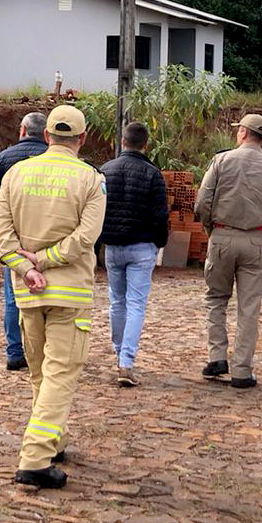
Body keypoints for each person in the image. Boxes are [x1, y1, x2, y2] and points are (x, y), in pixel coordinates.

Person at [0, 105, 107, 490]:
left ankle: (53, 440)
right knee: (59, 375)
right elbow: (85, 238)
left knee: (40, 374)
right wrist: (47, 260)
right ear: (82, 139)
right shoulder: (90, 180)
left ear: (45, 137)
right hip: (69, 294)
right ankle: (36, 458)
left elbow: (0, 237)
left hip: (28, 293)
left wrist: (27, 269)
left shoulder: (16, 174)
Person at [195, 113, 262, 388]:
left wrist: (212, 230)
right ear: (261, 137)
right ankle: (242, 370)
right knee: (249, 309)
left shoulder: (222, 160)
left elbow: (202, 203)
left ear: (242, 132)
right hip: (256, 240)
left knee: (216, 298)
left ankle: (217, 356)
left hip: (222, 235)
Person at [98, 121, 169, 387]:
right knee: (137, 303)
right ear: (146, 144)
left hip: (113, 246)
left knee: (117, 302)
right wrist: (159, 243)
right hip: (142, 246)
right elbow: (161, 215)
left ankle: (119, 353)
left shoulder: (105, 171)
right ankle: (126, 361)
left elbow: (96, 210)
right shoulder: (153, 174)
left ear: (122, 142)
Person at [0, 112, 48, 371]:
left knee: (13, 297)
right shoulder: (54, 160)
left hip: (14, 240)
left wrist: (1, 236)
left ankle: (14, 351)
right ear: (46, 134)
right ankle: (43, 351)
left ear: (22, 130)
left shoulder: (3, 159)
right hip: (46, 239)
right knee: (46, 295)